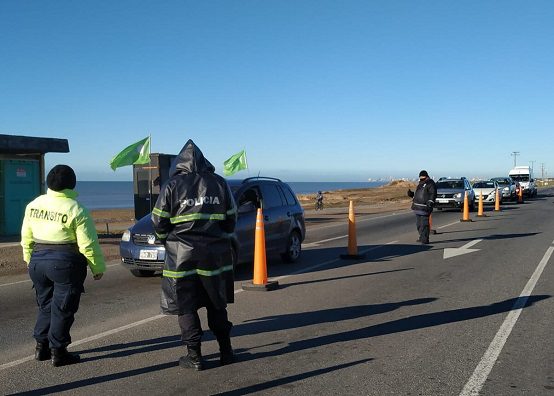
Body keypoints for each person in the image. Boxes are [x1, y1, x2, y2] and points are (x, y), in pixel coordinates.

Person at [152, 140, 237, 371]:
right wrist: (220, 237)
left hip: (181, 257)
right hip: (215, 257)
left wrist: (169, 241)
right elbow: (231, 219)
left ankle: (195, 356)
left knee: (186, 306)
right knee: (216, 304)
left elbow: (158, 221)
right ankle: (226, 351)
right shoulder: (219, 183)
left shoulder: (171, 185)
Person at [20, 165, 105, 367]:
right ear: (72, 184)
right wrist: (97, 267)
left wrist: (28, 259)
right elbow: (88, 243)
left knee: (45, 304)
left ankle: (41, 347)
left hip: (38, 261)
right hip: (65, 262)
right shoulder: (76, 209)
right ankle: (58, 351)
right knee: (63, 308)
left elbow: (26, 237)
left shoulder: (34, 204)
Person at [407, 170, 437, 244]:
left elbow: (433, 193)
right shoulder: (420, 184)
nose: (421, 178)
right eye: (420, 177)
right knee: (419, 225)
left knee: (424, 224)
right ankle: (421, 237)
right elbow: (417, 195)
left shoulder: (430, 183)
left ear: (426, 176)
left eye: (422, 176)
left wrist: (430, 202)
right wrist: (411, 194)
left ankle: (425, 239)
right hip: (417, 207)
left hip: (425, 207)